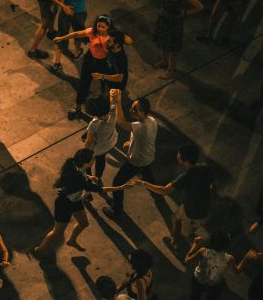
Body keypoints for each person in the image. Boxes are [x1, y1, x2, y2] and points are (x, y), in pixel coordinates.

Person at [33, 149, 130, 255]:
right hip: (64, 204)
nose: (94, 160)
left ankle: (72, 240)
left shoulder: (74, 164)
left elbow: (81, 175)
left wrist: (88, 177)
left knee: (84, 223)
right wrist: (121, 187)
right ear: (86, 163)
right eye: (93, 159)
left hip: (75, 200)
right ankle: (41, 250)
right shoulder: (79, 179)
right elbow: (101, 189)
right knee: (58, 231)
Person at [136, 144, 215, 250]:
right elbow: (211, 184)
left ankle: (177, 245)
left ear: (186, 161)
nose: (177, 156)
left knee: (186, 233)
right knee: (176, 218)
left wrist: (144, 183)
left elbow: (164, 191)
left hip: (192, 212)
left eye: (179, 155)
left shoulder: (186, 177)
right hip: (204, 206)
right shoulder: (205, 167)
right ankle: (178, 239)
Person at [181, 232, 251, 300]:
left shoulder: (203, 251)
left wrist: (195, 244)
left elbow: (187, 260)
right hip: (214, 285)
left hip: (198, 281)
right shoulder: (229, 259)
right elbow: (237, 271)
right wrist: (246, 258)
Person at [103, 90, 157, 220]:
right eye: (133, 106)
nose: (132, 110)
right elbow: (143, 136)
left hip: (136, 160)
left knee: (117, 182)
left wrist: (117, 102)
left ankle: (117, 210)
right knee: (146, 171)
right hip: (148, 156)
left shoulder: (140, 126)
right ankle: (155, 189)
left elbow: (121, 122)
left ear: (143, 113)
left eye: (136, 109)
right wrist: (131, 142)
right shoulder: (152, 121)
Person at [54, 15, 112, 119]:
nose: (100, 29)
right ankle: (78, 109)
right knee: (84, 84)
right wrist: (62, 38)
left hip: (103, 63)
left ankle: (106, 111)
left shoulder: (110, 38)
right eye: (99, 26)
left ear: (108, 27)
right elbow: (76, 34)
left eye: (103, 27)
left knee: (106, 86)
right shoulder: (92, 32)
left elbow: (114, 51)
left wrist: (105, 47)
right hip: (90, 60)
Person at [151, 0, 204, 79]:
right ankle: (164, 62)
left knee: (173, 49)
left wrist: (185, 13)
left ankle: (170, 70)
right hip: (163, 19)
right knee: (163, 43)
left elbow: (199, 7)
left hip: (175, 23)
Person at [52, 0, 91, 67]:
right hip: (81, 12)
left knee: (62, 35)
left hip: (67, 11)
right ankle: (76, 54)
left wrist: (64, 5)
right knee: (77, 33)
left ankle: (57, 62)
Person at [83, 95, 117, 183]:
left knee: (89, 160)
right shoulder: (113, 112)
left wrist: (83, 152)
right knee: (101, 160)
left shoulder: (93, 124)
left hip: (98, 147)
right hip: (110, 142)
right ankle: (98, 177)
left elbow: (88, 141)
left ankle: (89, 175)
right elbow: (114, 102)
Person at [92, 29, 129, 95]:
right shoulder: (113, 48)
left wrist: (102, 76)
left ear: (116, 45)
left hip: (116, 86)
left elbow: (120, 78)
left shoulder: (121, 59)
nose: (106, 42)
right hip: (108, 76)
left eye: (109, 41)